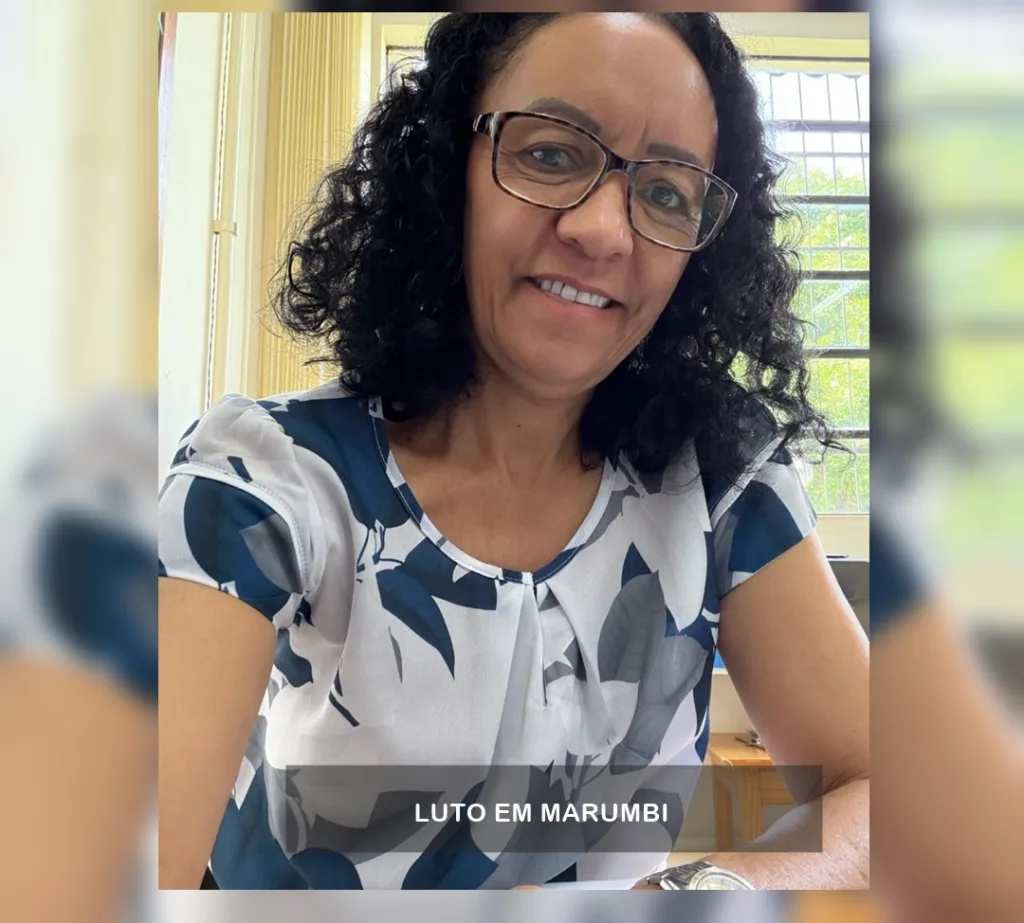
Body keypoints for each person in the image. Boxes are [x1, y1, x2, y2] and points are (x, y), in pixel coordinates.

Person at [158, 12, 869, 890]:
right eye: (553, 153)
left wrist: (688, 896)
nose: (605, 230)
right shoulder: (263, 478)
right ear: (445, 170)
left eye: (666, 193)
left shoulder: (720, 478)